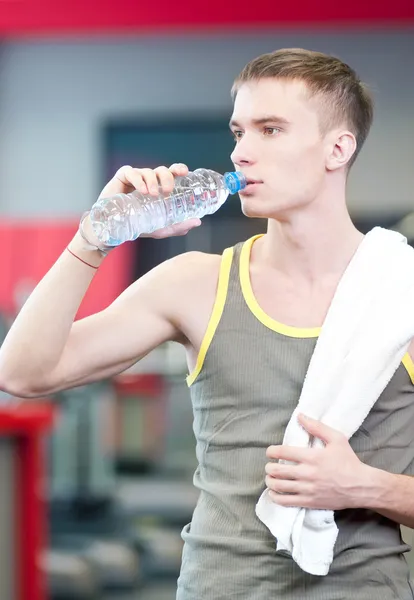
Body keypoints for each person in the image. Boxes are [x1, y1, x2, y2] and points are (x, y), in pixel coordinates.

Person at [1, 48, 414, 599]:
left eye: (270, 130)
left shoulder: (400, 294)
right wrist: (95, 235)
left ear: (337, 149)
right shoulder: (195, 283)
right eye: (238, 132)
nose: (243, 152)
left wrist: (368, 486)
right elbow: (24, 373)